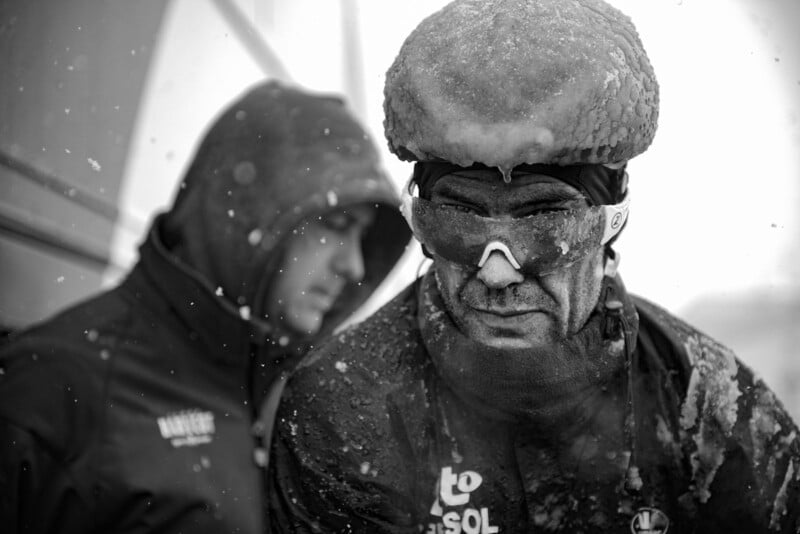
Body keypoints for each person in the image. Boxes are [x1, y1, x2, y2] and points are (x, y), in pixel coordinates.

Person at [265, 1, 800, 533]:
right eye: (460, 224)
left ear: (610, 224)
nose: (497, 274)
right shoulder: (344, 410)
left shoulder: (709, 411)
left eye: (545, 228)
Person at [0, 81, 410, 533]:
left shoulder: (288, 398)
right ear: (252, 215)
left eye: (362, 235)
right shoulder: (52, 390)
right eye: (335, 225)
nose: (353, 265)